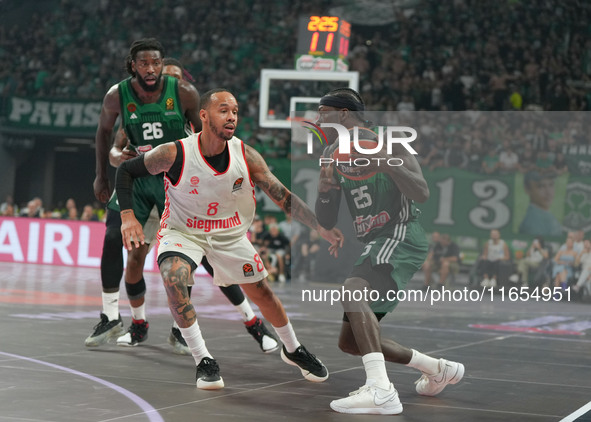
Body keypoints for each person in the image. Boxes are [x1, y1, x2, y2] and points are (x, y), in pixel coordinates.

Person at [115, 88, 344, 389]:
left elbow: (282, 197)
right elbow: (126, 171)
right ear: (204, 115)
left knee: (262, 292)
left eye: (235, 111)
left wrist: (320, 226)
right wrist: (128, 216)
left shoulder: (245, 154)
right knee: (174, 278)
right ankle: (203, 360)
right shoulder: (175, 152)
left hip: (228, 233)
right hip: (183, 232)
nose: (232, 116)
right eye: (224, 110)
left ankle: (293, 348)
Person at [87, 49, 277, 354]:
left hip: (178, 183)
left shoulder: (191, 110)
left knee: (210, 260)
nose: (160, 77)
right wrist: (112, 157)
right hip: (141, 179)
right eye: (152, 69)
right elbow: (115, 146)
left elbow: (214, 149)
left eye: (168, 73)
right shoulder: (132, 107)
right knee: (132, 253)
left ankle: (252, 322)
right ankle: (137, 325)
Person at [314, 88, 464, 415]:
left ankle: (381, 390)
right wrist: (325, 191)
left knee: (353, 291)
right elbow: (325, 218)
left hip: (401, 232)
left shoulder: (389, 142)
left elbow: (422, 192)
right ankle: (437, 368)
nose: (317, 119)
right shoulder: (331, 152)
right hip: (377, 241)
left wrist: (388, 165)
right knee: (351, 342)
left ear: (343, 113)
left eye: (323, 112)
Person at [518, 170, 563, 238]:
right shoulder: (532, 222)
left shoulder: (545, 215)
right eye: (541, 186)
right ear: (527, 189)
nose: (548, 192)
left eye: (551, 185)